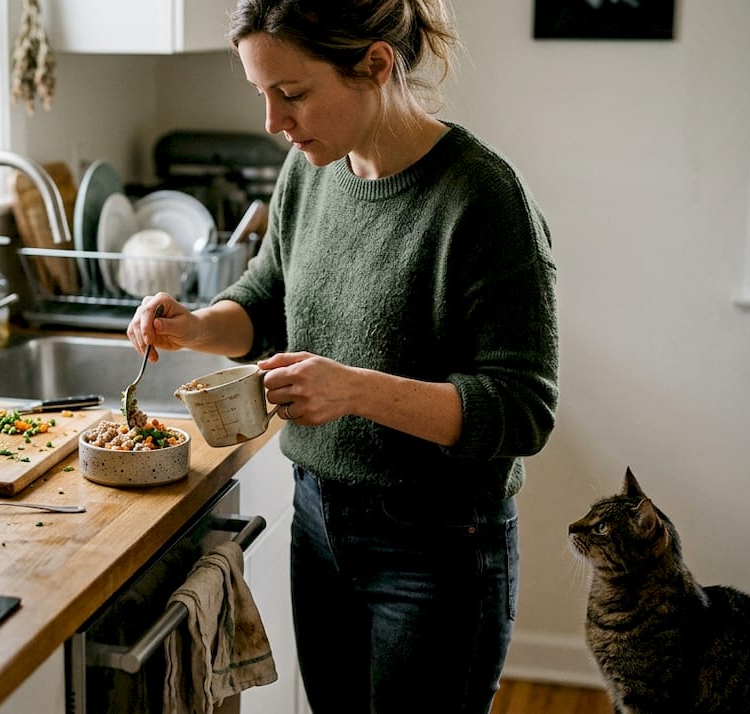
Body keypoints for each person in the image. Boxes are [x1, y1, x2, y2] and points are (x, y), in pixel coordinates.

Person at [125, 0, 559, 711]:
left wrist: (354, 391)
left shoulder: (483, 199)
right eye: (261, 94)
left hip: (439, 548)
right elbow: (267, 298)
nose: (274, 123)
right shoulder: (311, 170)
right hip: (319, 522)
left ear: (376, 65)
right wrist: (197, 326)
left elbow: (522, 411)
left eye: (291, 94)